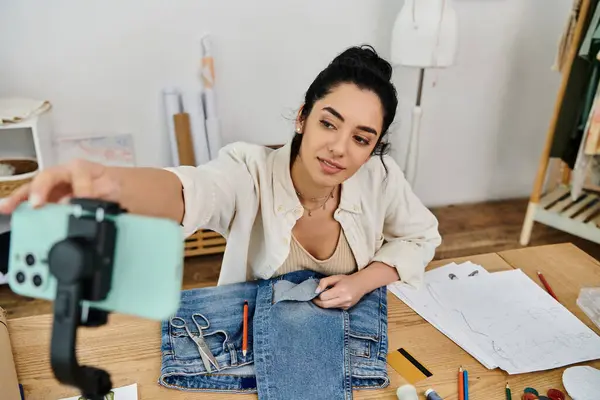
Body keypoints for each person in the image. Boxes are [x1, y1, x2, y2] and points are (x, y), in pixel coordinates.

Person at [0, 45, 441, 310]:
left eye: (362, 138)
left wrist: (362, 281)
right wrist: (108, 184)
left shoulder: (381, 177)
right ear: (303, 119)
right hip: (247, 340)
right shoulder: (248, 170)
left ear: (374, 148)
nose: (341, 148)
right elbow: (194, 190)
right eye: (329, 123)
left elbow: (421, 238)